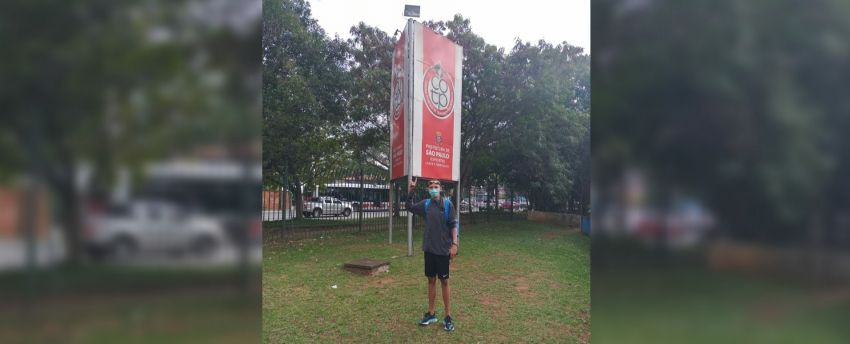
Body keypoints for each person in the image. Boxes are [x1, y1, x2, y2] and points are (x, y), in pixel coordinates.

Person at [406, 177, 458, 331]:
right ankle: (431, 313)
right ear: (428, 190)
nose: (433, 188)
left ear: (440, 188)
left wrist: (454, 245)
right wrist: (411, 191)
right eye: (431, 187)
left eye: (436, 186)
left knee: (445, 282)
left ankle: (447, 316)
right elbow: (408, 206)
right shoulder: (426, 205)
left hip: (443, 250)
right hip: (429, 249)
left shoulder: (448, 205)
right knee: (431, 281)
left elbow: (454, 224)